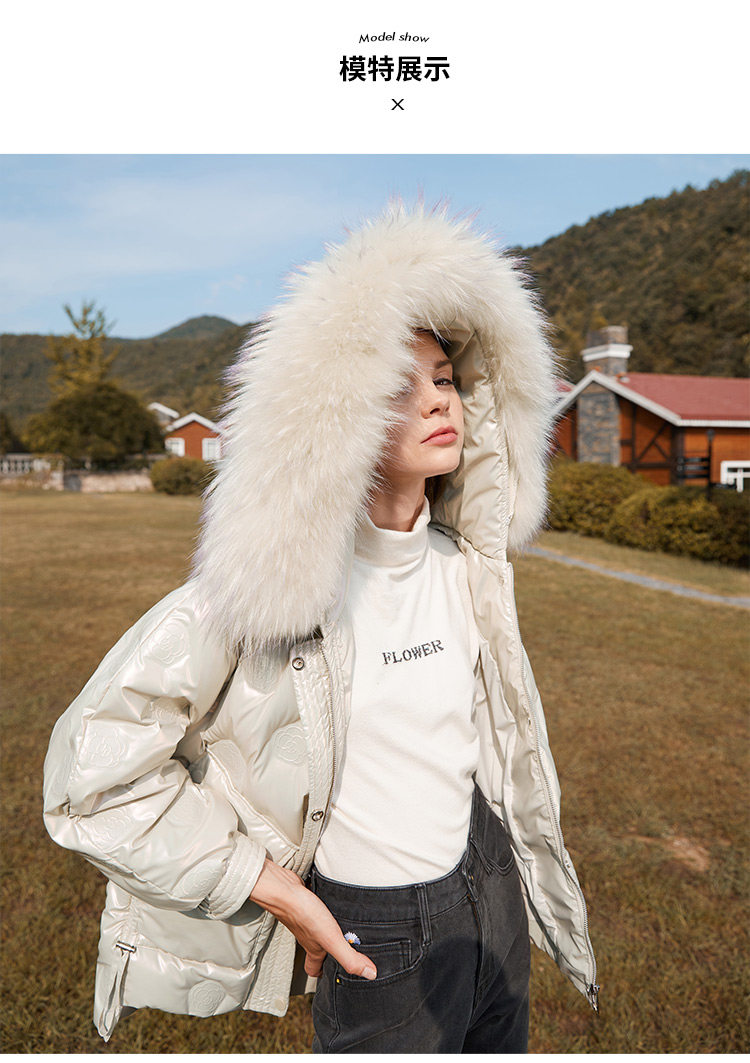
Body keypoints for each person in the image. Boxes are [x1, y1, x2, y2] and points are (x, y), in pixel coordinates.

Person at [43, 202, 598, 1052]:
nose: (438, 400)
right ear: (338, 418)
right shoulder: (271, 589)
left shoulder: (467, 567)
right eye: (399, 385)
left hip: (491, 897)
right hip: (378, 936)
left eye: (445, 378)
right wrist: (277, 889)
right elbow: (90, 780)